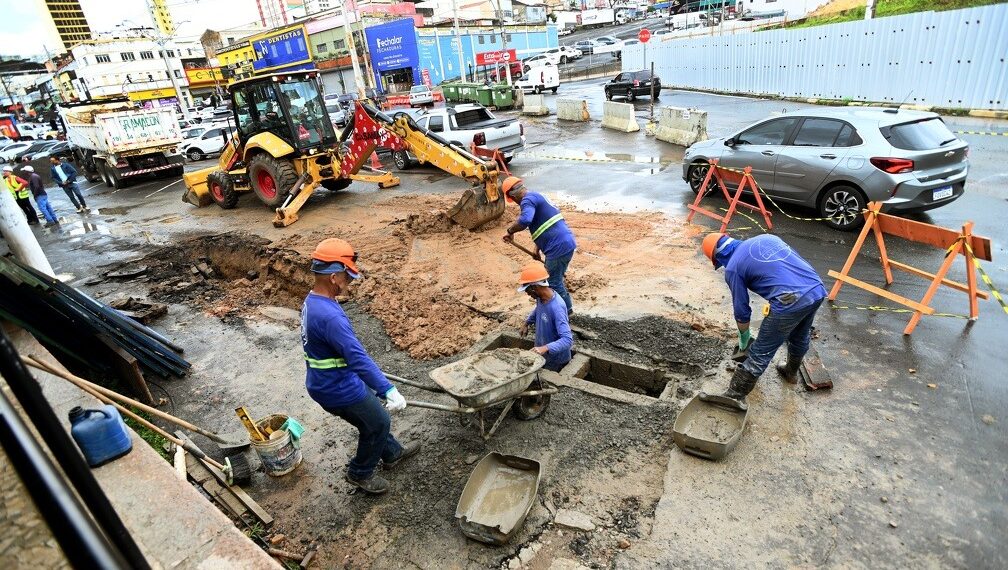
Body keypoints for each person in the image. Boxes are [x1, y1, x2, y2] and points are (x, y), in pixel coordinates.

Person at [300, 238, 419, 495]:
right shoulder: (330, 316)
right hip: (336, 387)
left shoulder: (313, 302)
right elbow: (357, 358)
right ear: (334, 277)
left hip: (328, 379)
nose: (350, 283)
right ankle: (360, 473)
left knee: (372, 417)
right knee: (377, 423)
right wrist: (387, 389)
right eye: (348, 277)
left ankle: (393, 453)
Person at [698, 232, 827, 411]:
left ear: (719, 256)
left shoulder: (733, 267)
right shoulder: (766, 238)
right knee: (800, 335)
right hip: (816, 289)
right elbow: (783, 268)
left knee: (761, 351)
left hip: (790, 301)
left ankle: (734, 395)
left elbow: (742, 311)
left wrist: (744, 335)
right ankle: (791, 372)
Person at [502, 176, 577, 314]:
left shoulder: (527, 200)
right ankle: (564, 310)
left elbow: (525, 219)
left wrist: (510, 231)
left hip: (557, 247)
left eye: (513, 199)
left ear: (513, 194)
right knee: (555, 279)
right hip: (564, 243)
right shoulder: (536, 196)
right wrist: (537, 248)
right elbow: (543, 225)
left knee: (552, 283)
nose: (516, 202)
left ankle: (565, 312)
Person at [517, 261, 573, 373]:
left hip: (556, 360)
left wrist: (544, 348)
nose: (527, 294)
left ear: (535, 287)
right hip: (543, 354)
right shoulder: (541, 298)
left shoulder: (557, 307)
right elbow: (539, 309)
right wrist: (527, 323)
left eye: (527, 290)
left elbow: (567, 340)